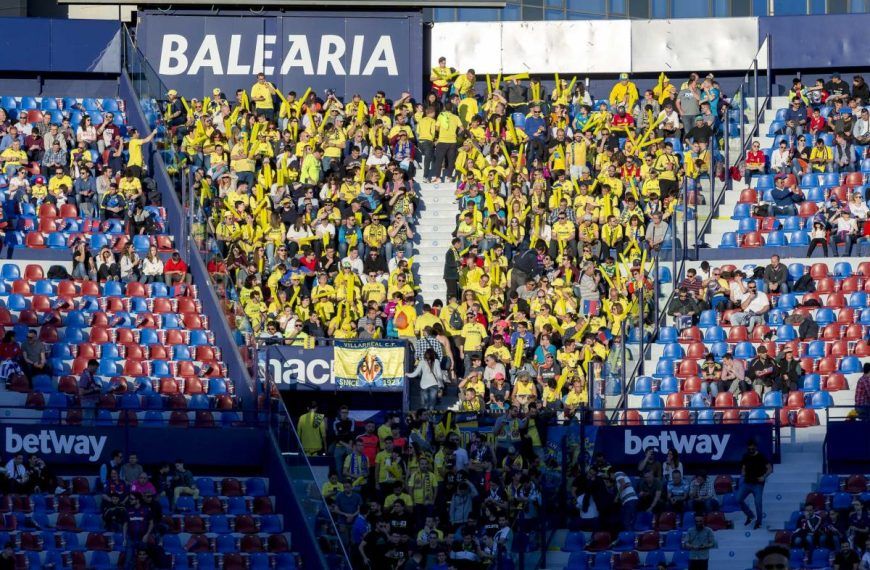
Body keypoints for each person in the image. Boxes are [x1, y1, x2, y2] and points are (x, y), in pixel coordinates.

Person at [737, 440, 772, 530]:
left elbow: (770, 468)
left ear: (756, 447)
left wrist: (764, 477)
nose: (751, 449)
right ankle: (750, 515)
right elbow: (743, 467)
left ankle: (759, 522)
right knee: (738, 499)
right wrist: (742, 475)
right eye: (749, 448)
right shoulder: (746, 456)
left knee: (758, 503)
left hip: (758, 484)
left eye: (753, 448)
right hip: (747, 483)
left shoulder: (761, 456)